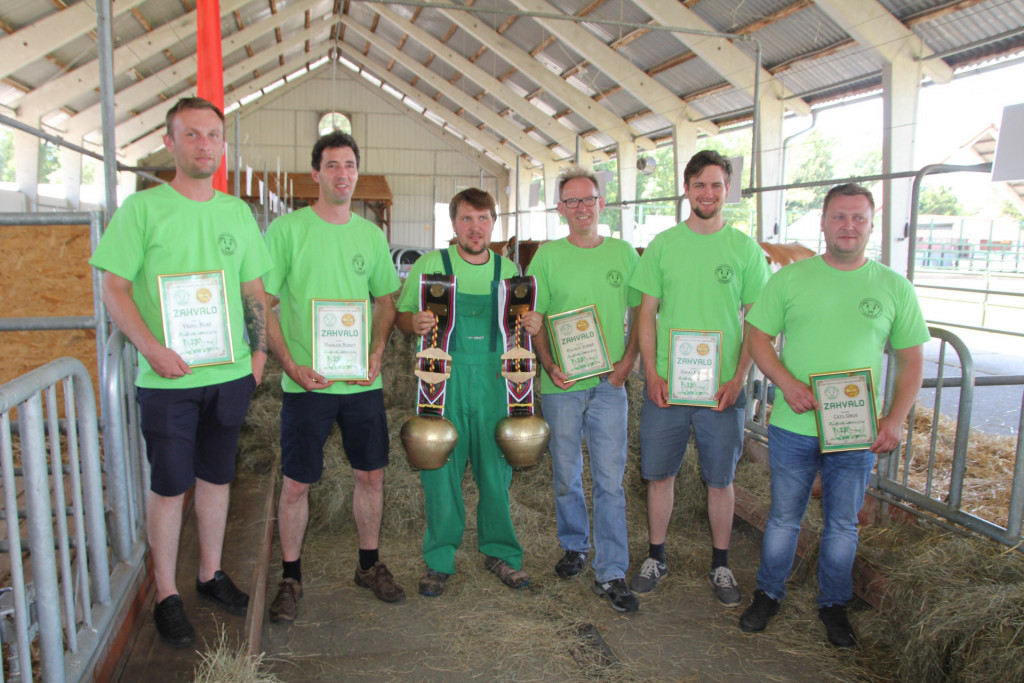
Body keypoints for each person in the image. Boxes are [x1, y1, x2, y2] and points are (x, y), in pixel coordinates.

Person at [89, 97, 272, 648]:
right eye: (191, 135)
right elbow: (113, 288)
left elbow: (252, 290)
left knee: (217, 478)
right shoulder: (142, 210)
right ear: (169, 143)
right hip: (167, 380)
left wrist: (258, 356)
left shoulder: (237, 212)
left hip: (229, 375)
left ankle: (210, 574)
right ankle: (166, 591)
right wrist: (150, 348)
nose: (204, 145)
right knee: (170, 486)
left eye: (212, 135)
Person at [739, 183, 927, 648]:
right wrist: (787, 383)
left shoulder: (893, 287)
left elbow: (912, 359)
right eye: (840, 217)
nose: (849, 226)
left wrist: (895, 419)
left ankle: (833, 603)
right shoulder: (791, 279)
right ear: (823, 222)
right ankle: (768, 593)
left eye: (859, 218)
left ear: (870, 224)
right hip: (794, 425)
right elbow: (757, 336)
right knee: (785, 517)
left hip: (856, 431)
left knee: (843, 522)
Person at [262, 132, 404, 623]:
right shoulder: (287, 232)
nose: (342, 174)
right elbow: (264, 304)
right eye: (332, 165)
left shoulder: (369, 235)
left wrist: (378, 349)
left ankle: (369, 564)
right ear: (316, 173)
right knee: (297, 484)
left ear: (356, 172)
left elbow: (386, 301)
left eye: (349, 165)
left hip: (361, 384)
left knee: (371, 475)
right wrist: (289, 365)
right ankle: (290, 577)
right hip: (307, 383)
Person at [629, 150, 770, 606]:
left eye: (716, 185)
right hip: (667, 387)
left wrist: (739, 378)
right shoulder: (664, 245)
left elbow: (756, 322)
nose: (707, 194)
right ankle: (656, 556)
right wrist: (651, 372)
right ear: (686, 190)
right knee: (660, 475)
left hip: (721, 391)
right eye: (699, 185)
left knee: (720, 479)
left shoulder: (744, 248)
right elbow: (646, 315)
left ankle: (721, 564)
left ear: (727, 190)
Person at [396, 188, 541, 597]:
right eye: (466, 219)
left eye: (482, 219)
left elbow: (525, 326)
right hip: (442, 382)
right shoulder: (432, 265)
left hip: (496, 383)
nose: (475, 228)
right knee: (439, 470)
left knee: (496, 470)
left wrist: (533, 326)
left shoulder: (509, 270)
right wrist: (416, 323)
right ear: (454, 224)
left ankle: (501, 553)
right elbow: (403, 320)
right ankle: (440, 558)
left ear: (494, 223)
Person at [527, 168, 640, 613]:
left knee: (610, 481)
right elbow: (533, 320)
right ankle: (575, 544)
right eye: (571, 201)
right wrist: (549, 365)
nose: (580, 208)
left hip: (609, 386)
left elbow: (641, 315)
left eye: (587, 199)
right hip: (561, 385)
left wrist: (625, 366)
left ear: (601, 203)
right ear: (560, 209)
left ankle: (611, 570)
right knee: (566, 473)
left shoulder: (624, 254)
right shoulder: (547, 257)